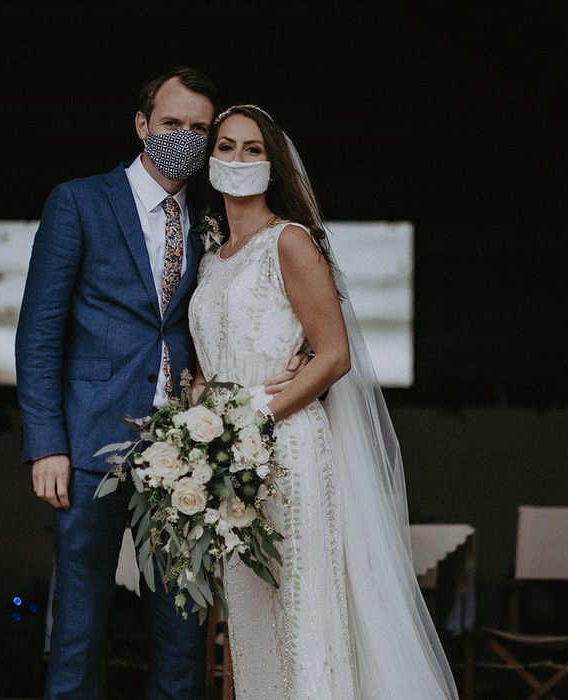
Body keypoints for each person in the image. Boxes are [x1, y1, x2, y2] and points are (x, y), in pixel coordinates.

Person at [15, 71, 306, 699]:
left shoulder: (212, 215)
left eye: (200, 129)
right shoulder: (79, 202)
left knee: (180, 637)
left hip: (187, 456)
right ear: (142, 125)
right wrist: (47, 444)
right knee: (78, 631)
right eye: (172, 123)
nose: (187, 138)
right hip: (91, 447)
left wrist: (283, 364)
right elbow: (39, 332)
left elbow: (236, 314)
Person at [188, 105, 460, 698]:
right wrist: (205, 410)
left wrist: (253, 415)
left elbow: (335, 355)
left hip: (287, 449)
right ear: (209, 159)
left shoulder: (289, 240)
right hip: (230, 461)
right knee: (253, 618)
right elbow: (214, 361)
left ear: (273, 163)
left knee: (303, 613)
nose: (236, 161)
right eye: (226, 147)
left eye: (253, 150)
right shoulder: (210, 259)